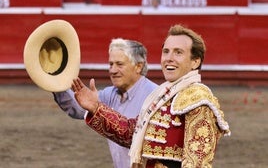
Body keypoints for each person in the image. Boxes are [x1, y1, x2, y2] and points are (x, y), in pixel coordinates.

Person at [72, 24, 231, 168]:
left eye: (178, 52)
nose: (169, 58)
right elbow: (130, 133)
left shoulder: (197, 98)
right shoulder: (161, 95)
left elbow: (197, 164)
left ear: (195, 61)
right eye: (166, 51)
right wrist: (95, 107)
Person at [53, 38, 158, 168]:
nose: (113, 70)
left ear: (138, 66)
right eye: (111, 64)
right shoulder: (111, 94)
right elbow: (79, 110)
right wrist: (54, 81)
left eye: (119, 64)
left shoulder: (155, 97)